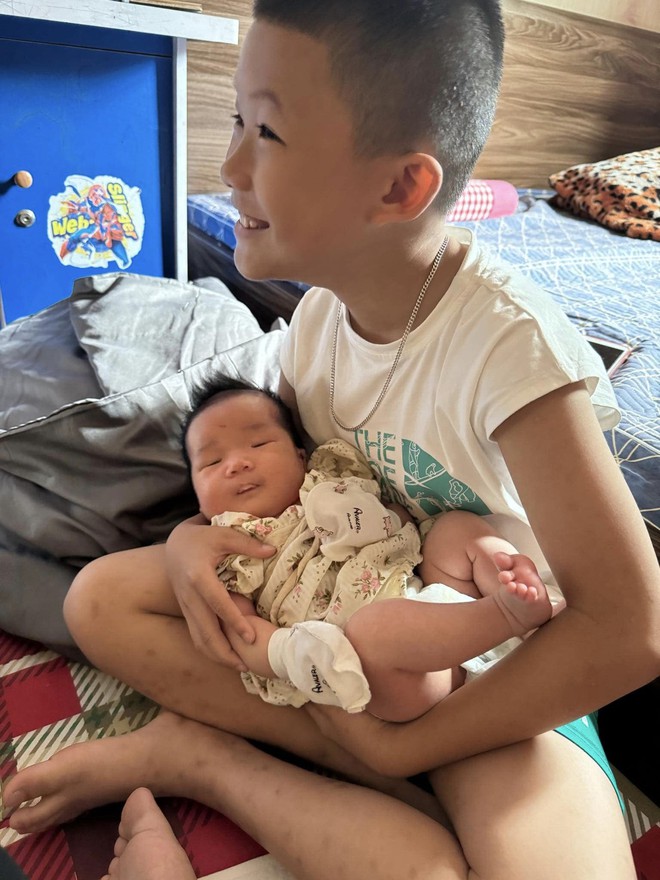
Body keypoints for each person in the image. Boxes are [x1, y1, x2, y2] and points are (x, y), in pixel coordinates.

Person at [4, 2, 659, 879]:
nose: (229, 166)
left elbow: (629, 629)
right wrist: (193, 540)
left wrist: (409, 745)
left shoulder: (513, 351)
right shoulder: (317, 320)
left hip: (473, 656)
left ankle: (223, 759)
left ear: (399, 189)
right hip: (320, 600)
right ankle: (273, 755)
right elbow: (286, 477)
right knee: (99, 601)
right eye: (237, 120)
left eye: (267, 132)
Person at [181, 376, 555, 720]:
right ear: (197, 499)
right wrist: (292, 653)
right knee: (372, 629)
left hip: (433, 597)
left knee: (453, 530)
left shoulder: (331, 481)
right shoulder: (224, 558)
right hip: (394, 673)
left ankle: (521, 589)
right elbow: (242, 633)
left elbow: (403, 528)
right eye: (212, 461)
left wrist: (378, 518)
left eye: (258, 444)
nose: (237, 464)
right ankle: (508, 615)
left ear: (300, 456)